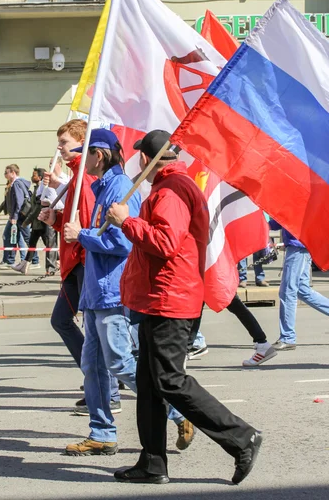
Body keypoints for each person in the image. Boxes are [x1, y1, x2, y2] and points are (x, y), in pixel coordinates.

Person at [106, 130, 262, 485]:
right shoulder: (172, 185)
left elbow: (164, 242)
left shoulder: (170, 190)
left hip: (170, 299)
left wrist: (125, 221)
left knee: (169, 381)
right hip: (162, 297)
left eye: (138, 158)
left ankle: (242, 438)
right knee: (149, 386)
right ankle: (152, 463)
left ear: (145, 159)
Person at [62, 129, 190, 457]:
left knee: (119, 362)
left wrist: (83, 236)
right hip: (96, 292)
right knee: (93, 367)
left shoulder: (120, 188)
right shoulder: (104, 186)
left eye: (85, 152)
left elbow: (124, 242)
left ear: (100, 155)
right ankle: (102, 434)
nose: (80, 158)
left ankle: (179, 412)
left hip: (112, 291)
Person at [39, 120, 121, 412]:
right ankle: (100, 383)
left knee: (93, 334)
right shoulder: (77, 177)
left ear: (82, 144)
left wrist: (70, 232)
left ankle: (106, 389)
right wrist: (56, 220)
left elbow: (89, 226)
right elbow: (75, 225)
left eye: (63, 142)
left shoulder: (84, 180)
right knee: (63, 321)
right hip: (76, 264)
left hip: (83, 264)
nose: (59, 147)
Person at [270, 219, 329, 350]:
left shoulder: (293, 199)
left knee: (287, 291)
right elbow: (276, 222)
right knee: (302, 291)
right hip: (301, 246)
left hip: (298, 247)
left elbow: (276, 222)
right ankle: (288, 337)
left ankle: (288, 338)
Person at [12, 168, 58, 275]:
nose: (32, 177)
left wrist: (27, 221)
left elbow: (37, 208)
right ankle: (24, 265)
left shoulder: (42, 190)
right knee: (32, 244)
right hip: (37, 223)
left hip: (43, 223)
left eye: (34, 175)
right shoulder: (37, 188)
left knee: (50, 245)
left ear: (40, 178)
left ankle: (52, 267)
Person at [0, 164, 39, 269]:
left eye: (6, 172)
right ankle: (9, 260)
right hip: (18, 216)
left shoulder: (17, 184)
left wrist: (15, 217)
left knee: (25, 237)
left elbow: (19, 201)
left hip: (20, 216)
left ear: (13, 173)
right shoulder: (16, 183)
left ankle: (34, 260)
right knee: (11, 236)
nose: (5, 175)